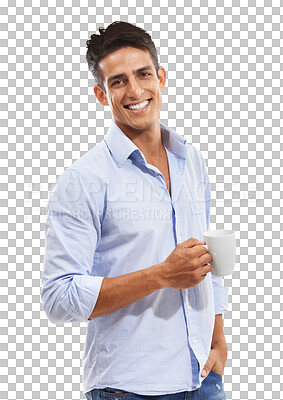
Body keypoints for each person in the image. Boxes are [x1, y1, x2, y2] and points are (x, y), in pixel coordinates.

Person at [41, 21, 229, 400]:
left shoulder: (190, 159)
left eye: (143, 74)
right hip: (128, 389)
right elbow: (58, 298)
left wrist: (218, 340)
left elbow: (207, 260)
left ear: (161, 77)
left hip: (203, 378)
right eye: (118, 81)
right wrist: (161, 275)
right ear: (100, 94)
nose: (135, 91)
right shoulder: (84, 179)